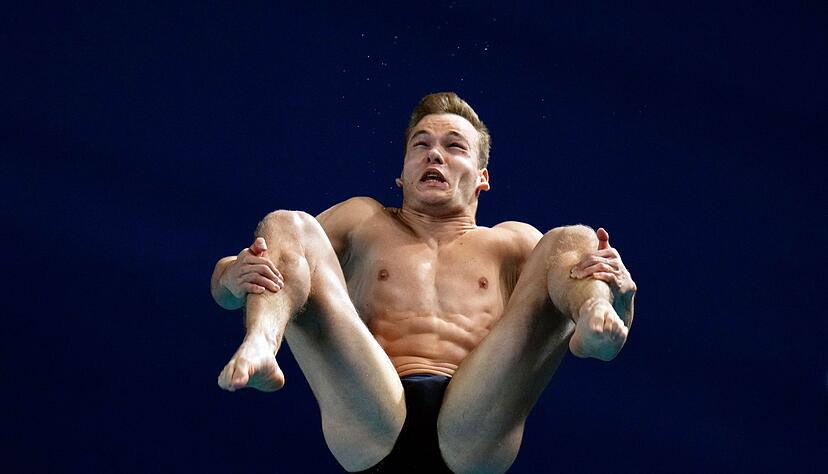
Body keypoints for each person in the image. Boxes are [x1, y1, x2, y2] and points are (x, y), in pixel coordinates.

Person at [209, 92, 637, 473]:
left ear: (482, 177)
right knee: (289, 224)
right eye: (421, 146)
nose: (435, 156)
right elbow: (249, 268)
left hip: (476, 421)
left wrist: (619, 299)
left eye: (454, 147)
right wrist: (232, 276)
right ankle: (263, 342)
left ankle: (595, 317)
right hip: (371, 413)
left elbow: (571, 266)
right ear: (401, 172)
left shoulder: (511, 243)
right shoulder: (362, 221)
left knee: (572, 240)